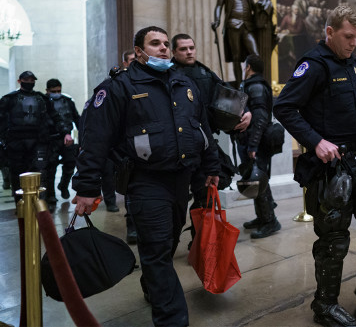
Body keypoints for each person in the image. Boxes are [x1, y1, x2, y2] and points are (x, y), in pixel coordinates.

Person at [72, 26, 220, 326]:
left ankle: (153, 288)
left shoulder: (185, 83)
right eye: (155, 44)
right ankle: (172, 319)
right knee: (156, 251)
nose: (164, 48)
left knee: (166, 245)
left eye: (166, 43)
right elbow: (95, 140)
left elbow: (202, 129)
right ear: (139, 52)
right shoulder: (118, 87)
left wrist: (211, 167)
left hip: (181, 181)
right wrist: (86, 187)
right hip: (145, 182)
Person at [273, 5, 356, 326]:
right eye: (348, 36)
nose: (354, 43)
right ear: (329, 32)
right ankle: (325, 306)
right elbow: (284, 107)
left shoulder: (352, 64)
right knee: (333, 241)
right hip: (331, 168)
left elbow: (350, 106)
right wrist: (315, 141)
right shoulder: (314, 65)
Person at [170, 33, 250, 243]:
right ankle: (168, 243)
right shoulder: (167, 75)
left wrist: (246, 112)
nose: (189, 52)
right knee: (174, 201)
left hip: (204, 146)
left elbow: (228, 96)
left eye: (191, 48)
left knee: (205, 196)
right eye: (183, 49)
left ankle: (200, 242)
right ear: (174, 52)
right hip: (175, 148)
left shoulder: (204, 72)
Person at [0, 71, 71, 209]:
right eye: (27, 79)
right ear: (20, 81)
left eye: (32, 79)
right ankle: (21, 207)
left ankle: (40, 205)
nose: (30, 82)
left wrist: (66, 133)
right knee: (17, 176)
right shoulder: (9, 99)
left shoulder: (41, 99)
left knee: (40, 174)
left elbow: (56, 117)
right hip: (16, 143)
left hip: (38, 142)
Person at [236, 54, 281, 239]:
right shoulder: (253, 84)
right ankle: (262, 217)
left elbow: (260, 118)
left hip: (257, 143)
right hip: (252, 141)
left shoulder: (255, 86)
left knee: (259, 181)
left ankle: (270, 221)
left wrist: (253, 145)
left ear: (248, 67)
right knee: (254, 180)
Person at [212, 0, 260, 87]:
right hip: (233, 26)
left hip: (248, 26)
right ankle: (240, 84)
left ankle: (252, 81)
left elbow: (255, 9)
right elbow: (219, 7)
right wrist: (217, 21)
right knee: (236, 57)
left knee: (255, 54)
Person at [44, 78, 80, 203]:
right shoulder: (43, 102)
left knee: (70, 163)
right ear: (47, 90)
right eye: (54, 91)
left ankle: (63, 186)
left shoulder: (67, 101)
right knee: (51, 167)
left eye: (59, 90)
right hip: (51, 139)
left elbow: (76, 118)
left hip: (67, 138)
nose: (57, 93)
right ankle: (51, 194)